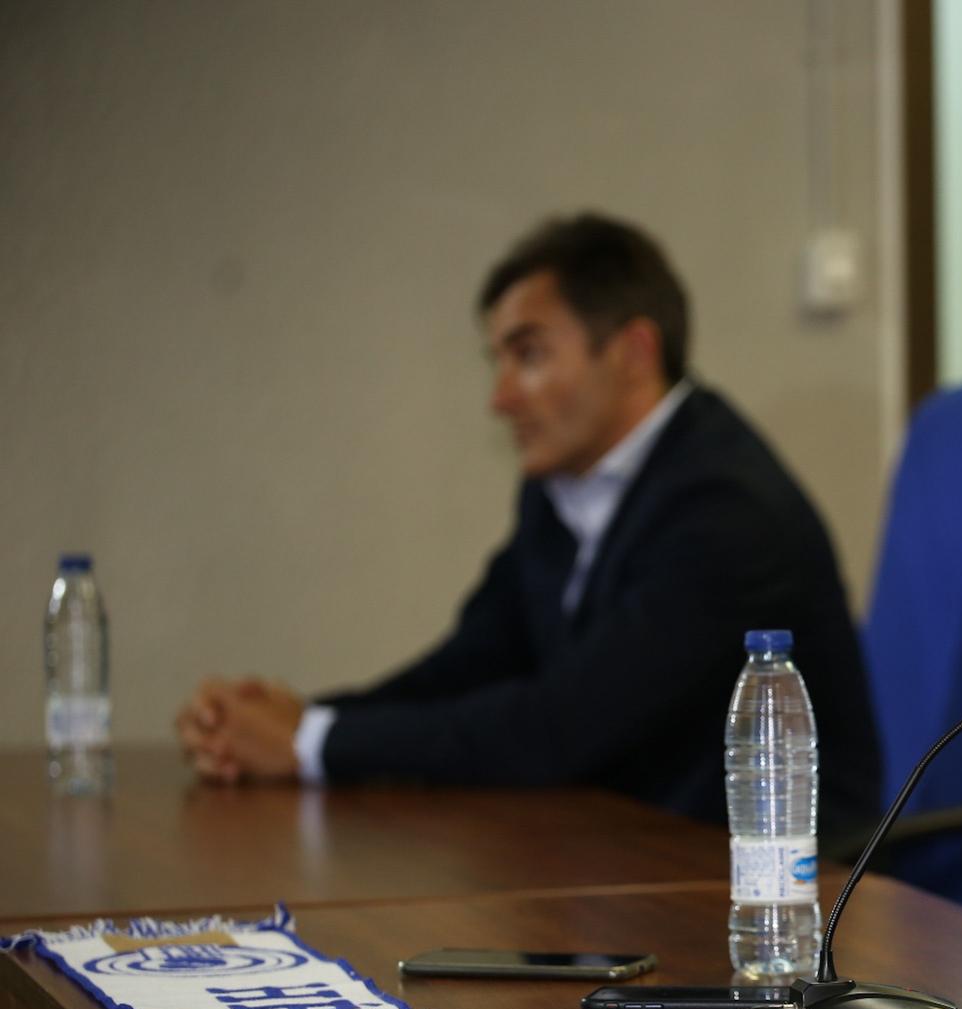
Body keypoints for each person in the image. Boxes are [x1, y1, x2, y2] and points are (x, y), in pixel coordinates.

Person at [176, 213, 881, 838]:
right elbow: (471, 665)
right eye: (499, 361)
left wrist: (310, 743)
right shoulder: (562, 484)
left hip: (769, 890)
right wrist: (295, 721)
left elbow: (561, 729)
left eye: (530, 354)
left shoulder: (727, 511)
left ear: (634, 352)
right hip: (618, 854)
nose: (501, 397)